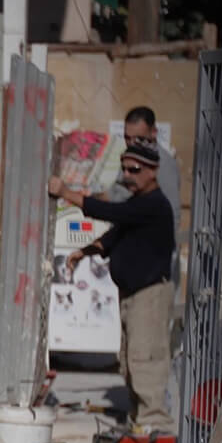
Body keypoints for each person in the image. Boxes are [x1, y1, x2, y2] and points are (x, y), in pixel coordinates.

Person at [52, 140, 178, 428]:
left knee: (145, 361)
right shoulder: (137, 205)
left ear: (153, 171)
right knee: (130, 361)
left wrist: (65, 193)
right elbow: (114, 234)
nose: (127, 175)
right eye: (124, 169)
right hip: (132, 295)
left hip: (150, 296)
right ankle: (139, 422)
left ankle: (155, 427)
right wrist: (85, 252)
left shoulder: (154, 205)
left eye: (134, 169)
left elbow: (111, 214)